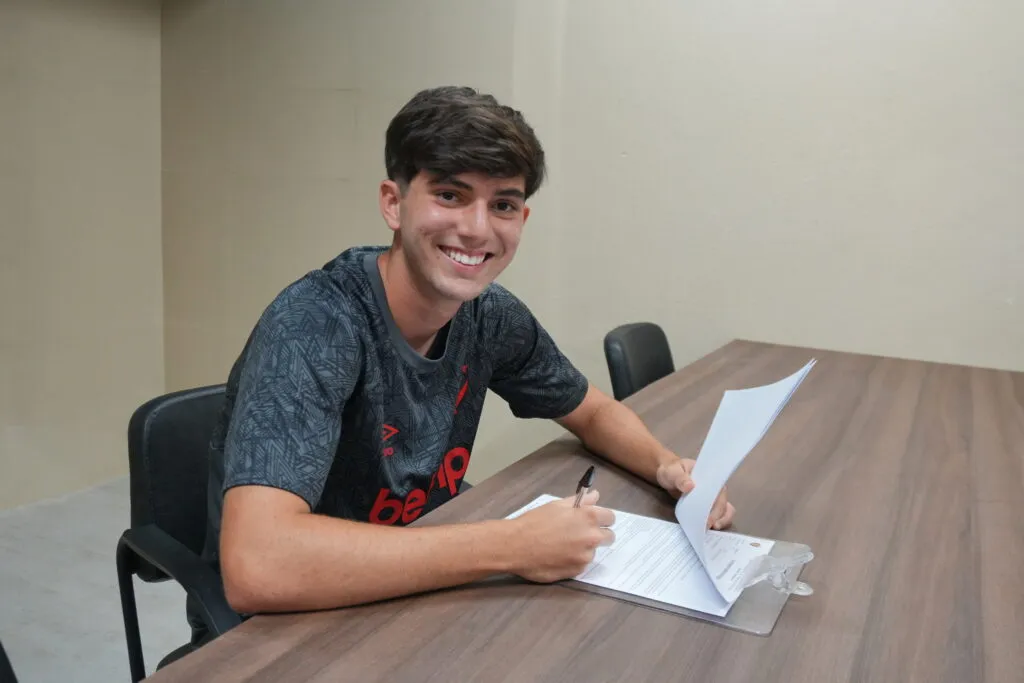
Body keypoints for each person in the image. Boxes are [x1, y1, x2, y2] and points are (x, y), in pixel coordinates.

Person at [189, 85, 734, 645]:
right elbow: (260, 565)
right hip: (287, 635)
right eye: (450, 195)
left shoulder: (489, 316)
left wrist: (668, 467)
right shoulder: (316, 325)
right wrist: (512, 544)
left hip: (415, 597)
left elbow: (591, 411)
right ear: (393, 203)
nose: (477, 229)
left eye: (503, 205)